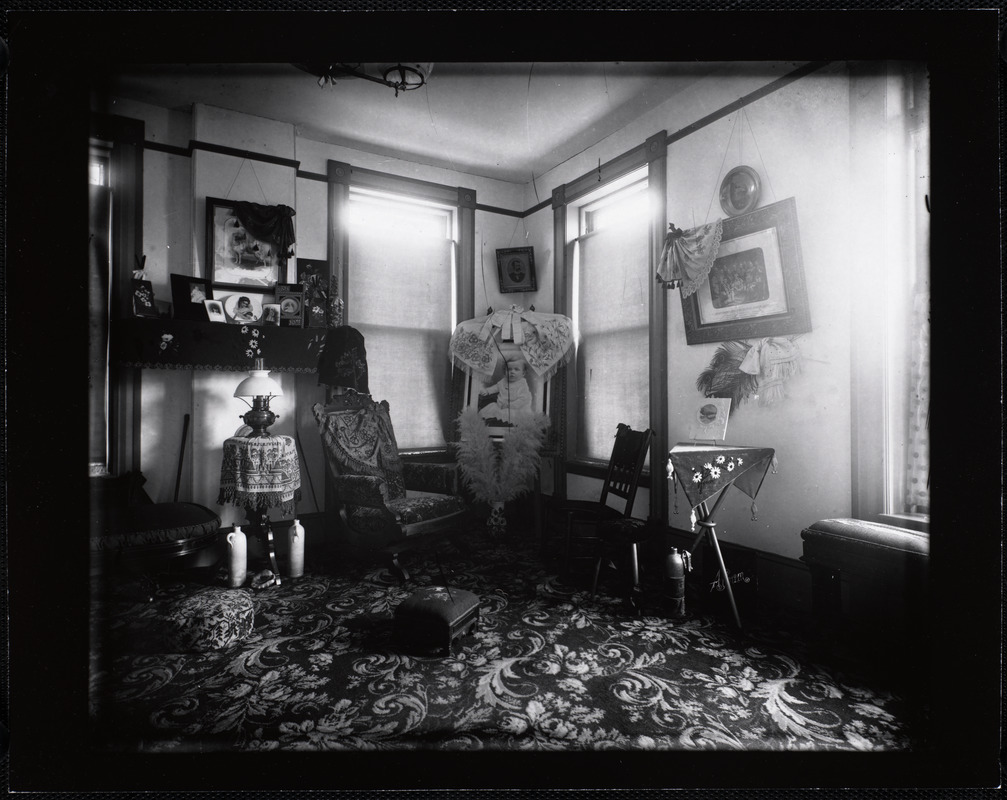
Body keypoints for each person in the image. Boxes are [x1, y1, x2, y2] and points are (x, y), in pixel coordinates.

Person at [478, 358, 534, 423]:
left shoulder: (522, 384)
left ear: (523, 373)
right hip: (500, 406)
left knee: (510, 416)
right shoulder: (503, 381)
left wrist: (509, 405)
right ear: (505, 372)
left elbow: (523, 400)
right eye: (509, 369)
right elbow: (496, 387)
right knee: (490, 410)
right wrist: (487, 391)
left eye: (516, 369)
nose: (512, 372)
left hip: (516, 408)